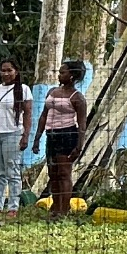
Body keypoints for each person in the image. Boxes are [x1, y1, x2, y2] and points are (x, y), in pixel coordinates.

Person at [0, 57, 32, 223]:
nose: (6, 73)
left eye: (9, 70)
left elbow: (28, 114)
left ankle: (13, 207)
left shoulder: (23, 89)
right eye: (3, 70)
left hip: (12, 133)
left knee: (12, 171)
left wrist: (25, 135)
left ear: (16, 71)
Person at [39, 59, 89, 220]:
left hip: (67, 135)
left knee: (63, 173)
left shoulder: (77, 98)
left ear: (72, 75)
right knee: (53, 173)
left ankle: (64, 209)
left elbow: (82, 123)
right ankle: (55, 206)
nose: (59, 75)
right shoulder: (52, 91)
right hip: (51, 135)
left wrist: (79, 146)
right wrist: (37, 137)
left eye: (62, 72)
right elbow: (44, 115)